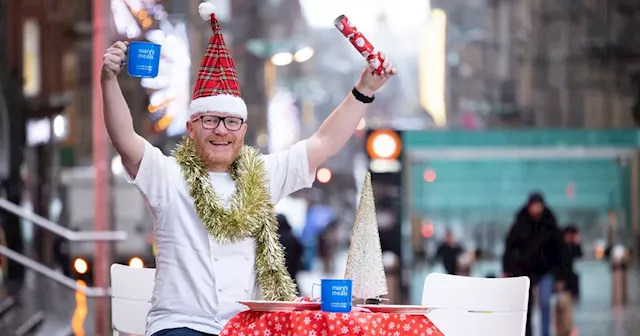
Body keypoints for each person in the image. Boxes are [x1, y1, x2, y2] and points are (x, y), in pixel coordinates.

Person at [101, 2, 396, 336]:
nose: (221, 131)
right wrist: (108, 79)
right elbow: (125, 140)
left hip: (246, 327)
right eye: (210, 120)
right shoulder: (167, 175)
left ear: (243, 129)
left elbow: (323, 142)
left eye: (231, 122)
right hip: (180, 325)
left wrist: (364, 91)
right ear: (191, 127)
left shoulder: (265, 175)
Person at [502, 192, 563, 336]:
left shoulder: (551, 225)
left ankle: (545, 333)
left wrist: (560, 275)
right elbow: (509, 248)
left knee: (544, 302)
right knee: (525, 306)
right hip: (525, 271)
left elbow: (560, 251)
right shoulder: (519, 225)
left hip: (546, 271)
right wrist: (508, 270)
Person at [276, 214, 303, 290]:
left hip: (279, 269)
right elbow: (300, 250)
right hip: (292, 269)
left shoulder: (275, 238)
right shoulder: (293, 237)